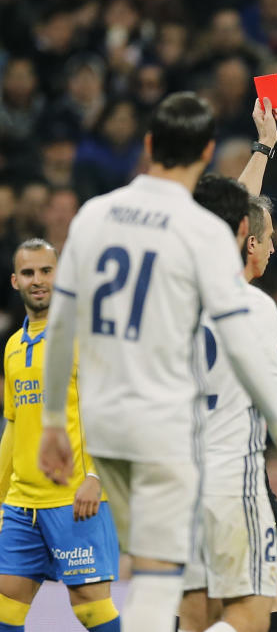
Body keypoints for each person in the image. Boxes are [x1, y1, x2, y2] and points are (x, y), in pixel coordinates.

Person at [36, 91, 277, 632]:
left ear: (149, 144)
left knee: (162, 596)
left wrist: (51, 423)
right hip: (192, 445)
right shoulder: (204, 240)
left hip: (116, 436)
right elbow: (226, 229)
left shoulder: (93, 216)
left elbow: (61, 324)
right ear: (207, 152)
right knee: (254, 615)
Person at [178, 97, 277, 632]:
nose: (273, 251)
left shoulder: (180, 291)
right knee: (249, 613)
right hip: (232, 474)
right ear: (250, 240)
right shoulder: (255, 309)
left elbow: (227, 216)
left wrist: (264, 146)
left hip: (179, 471)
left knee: (217, 601)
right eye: (268, 240)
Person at [0, 239, 120, 632]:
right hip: (22, 505)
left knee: (90, 609)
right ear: (15, 280)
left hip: (75, 498)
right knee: (4, 607)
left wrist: (96, 477)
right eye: (29, 273)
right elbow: (14, 427)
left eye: (46, 271)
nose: (38, 280)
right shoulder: (14, 346)